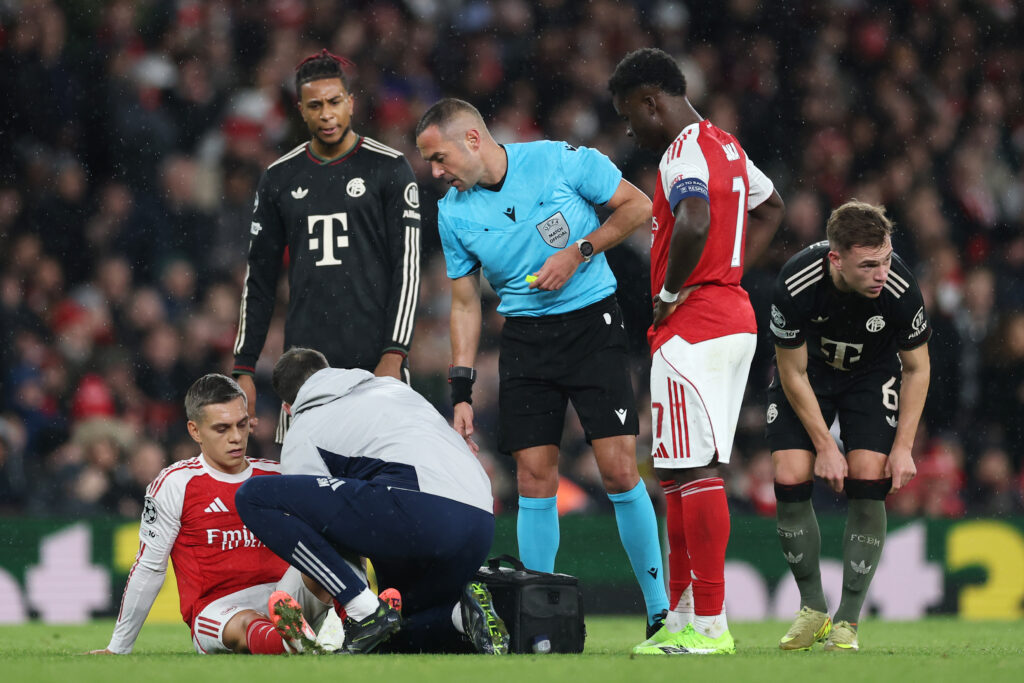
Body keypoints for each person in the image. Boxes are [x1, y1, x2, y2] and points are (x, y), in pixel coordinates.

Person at [414, 98, 669, 644]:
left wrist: (579, 251)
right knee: (533, 477)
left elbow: (637, 206)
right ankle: (538, 615)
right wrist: (461, 390)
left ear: (473, 140)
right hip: (526, 339)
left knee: (621, 470)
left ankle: (659, 611)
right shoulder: (453, 211)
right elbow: (464, 305)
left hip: (593, 323)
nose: (435, 171)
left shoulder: (559, 161)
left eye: (439, 157)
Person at [608, 48, 785, 655]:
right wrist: (730, 269)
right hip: (731, 314)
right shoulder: (727, 144)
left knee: (698, 470)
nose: (632, 128)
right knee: (682, 471)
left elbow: (691, 218)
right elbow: (771, 206)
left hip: (694, 323)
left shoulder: (680, 148)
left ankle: (709, 625)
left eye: (631, 114)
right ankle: (683, 620)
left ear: (651, 99)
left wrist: (671, 291)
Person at [234, 347, 509, 655]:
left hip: (423, 513)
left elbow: (323, 531)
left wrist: (351, 597)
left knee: (253, 496)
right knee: (392, 634)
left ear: (287, 407)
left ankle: (365, 611)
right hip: (481, 521)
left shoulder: (304, 428)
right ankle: (460, 615)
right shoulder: (391, 387)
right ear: (331, 372)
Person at [233, 49, 421, 442]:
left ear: (351, 103)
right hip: (303, 369)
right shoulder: (279, 178)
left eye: (335, 102)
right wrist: (244, 368)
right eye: (315, 105)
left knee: (379, 490)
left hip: (375, 361)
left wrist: (394, 352)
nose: (326, 113)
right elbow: (260, 280)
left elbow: (409, 268)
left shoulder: (388, 168)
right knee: (305, 493)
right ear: (300, 110)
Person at [766, 201, 930, 652]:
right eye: (869, 265)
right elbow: (792, 373)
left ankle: (848, 622)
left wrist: (904, 447)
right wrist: (824, 445)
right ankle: (814, 608)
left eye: (886, 258)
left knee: (868, 476)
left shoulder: (900, 287)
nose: (882, 272)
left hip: (870, 377)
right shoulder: (796, 284)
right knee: (788, 474)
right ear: (835, 259)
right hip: (809, 377)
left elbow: (917, 369)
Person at [90, 374, 331, 656]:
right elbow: (149, 567)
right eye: (222, 428)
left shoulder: (278, 474)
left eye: (242, 425)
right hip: (218, 608)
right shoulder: (176, 483)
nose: (236, 437)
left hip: (284, 595)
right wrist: (119, 647)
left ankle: (359, 621)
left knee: (335, 536)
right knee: (245, 625)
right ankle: (293, 640)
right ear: (195, 431)